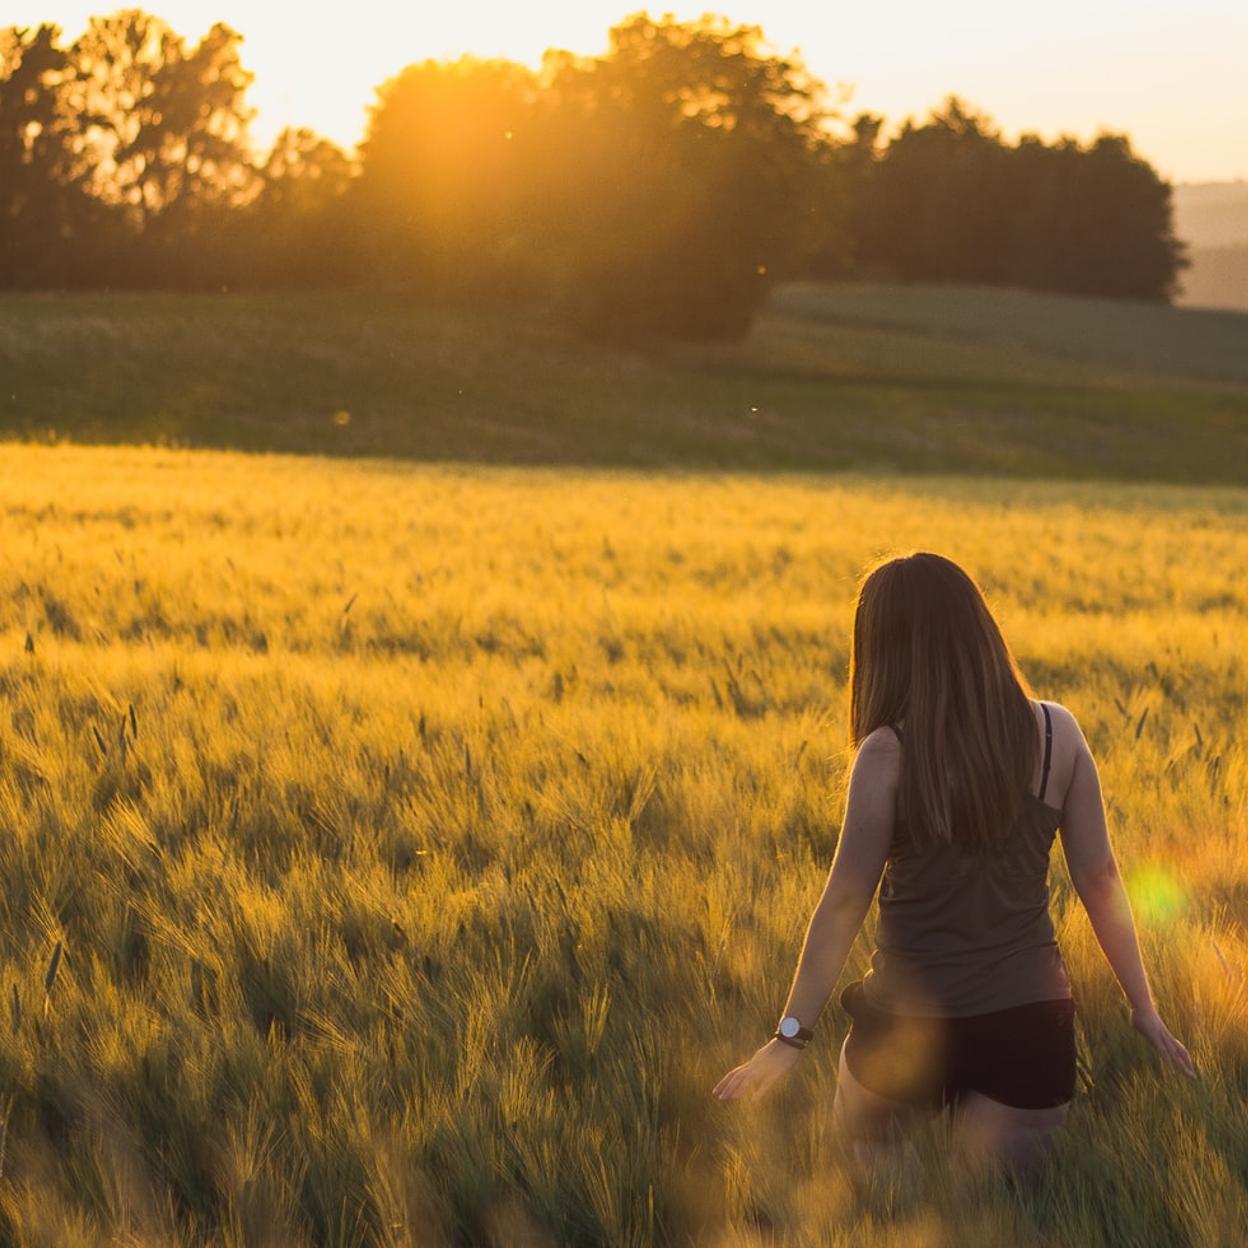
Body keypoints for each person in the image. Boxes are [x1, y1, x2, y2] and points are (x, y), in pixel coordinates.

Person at [711, 551, 1196, 1183]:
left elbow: (842, 903)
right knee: (1002, 1220)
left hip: (902, 1028)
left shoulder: (886, 754)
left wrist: (790, 1038)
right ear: (979, 627)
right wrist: (1145, 1009)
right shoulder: (1058, 735)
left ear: (883, 647)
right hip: (1027, 1027)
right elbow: (1100, 880)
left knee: (881, 1215)